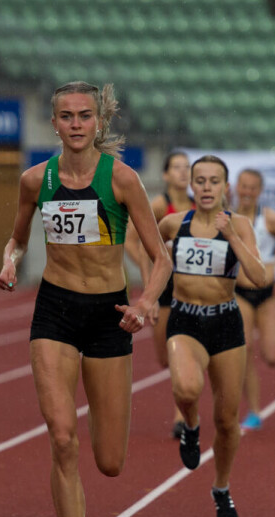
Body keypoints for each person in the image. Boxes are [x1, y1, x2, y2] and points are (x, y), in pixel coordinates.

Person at [0, 81, 171, 517]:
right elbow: (19, 237)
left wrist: (143, 304)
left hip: (108, 316)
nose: (75, 124)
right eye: (66, 116)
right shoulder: (35, 181)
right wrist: (9, 259)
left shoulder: (121, 179)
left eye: (84, 115)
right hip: (53, 311)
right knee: (62, 435)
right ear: (53, 123)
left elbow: (160, 257)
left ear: (99, 122)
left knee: (110, 460)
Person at [159, 155, 267, 517]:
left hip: (225, 324)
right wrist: (150, 291)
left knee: (226, 421)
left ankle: (221, 488)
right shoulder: (174, 223)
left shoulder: (240, 225)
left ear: (226, 187)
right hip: (185, 320)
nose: (206, 188)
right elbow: (153, 252)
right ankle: (190, 427)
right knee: (186, 389)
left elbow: (258, 276)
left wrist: (232, 235)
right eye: (200, 181)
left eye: (214, 181)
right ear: (191, 186)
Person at [125, 150, 194, 439]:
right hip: (164, 286)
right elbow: (133, 241)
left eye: (186, 167)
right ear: (165, 175)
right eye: (176, 168)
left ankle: (183, 416)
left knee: (185, 350)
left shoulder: (198, 205)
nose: (182, 172)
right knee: (165, 357)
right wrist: (149, 286)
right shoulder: (158, 205)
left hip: (191, 287)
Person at [231, 168, 275, 430]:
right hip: (240, 294)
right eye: (243, 186)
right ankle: (254, 411)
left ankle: (254, 408)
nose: (247, 192)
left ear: (259, 191)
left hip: (269, 293)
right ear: (237, 187)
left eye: (252, 188)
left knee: (273, 356)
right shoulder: (228, 219)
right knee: (244, 350)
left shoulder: (270, 219)